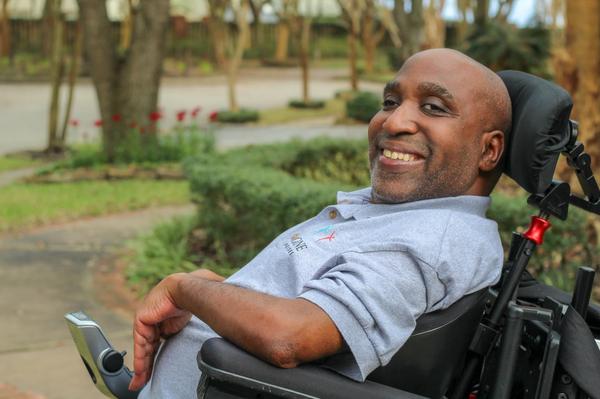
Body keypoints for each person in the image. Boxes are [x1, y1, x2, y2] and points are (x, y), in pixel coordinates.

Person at [130, 48, 512, 398]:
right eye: (390, 101)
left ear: (488, 150)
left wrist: (182, 289)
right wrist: (217, 292)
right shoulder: (403, 210)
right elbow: (306, 304)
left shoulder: (433, 239)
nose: (394, 121)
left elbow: (289, 338)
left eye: (433, 107)